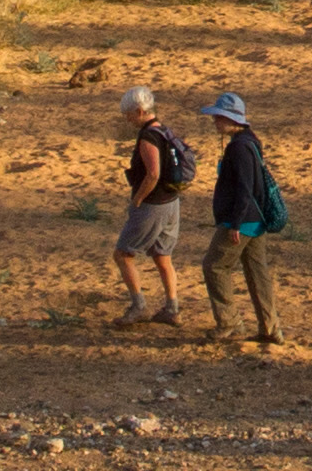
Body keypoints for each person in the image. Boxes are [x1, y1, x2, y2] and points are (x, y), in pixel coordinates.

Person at [202, 90, 283, 351]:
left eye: (218, 117)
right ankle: (270, 329)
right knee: (257, 273)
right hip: (255, 220)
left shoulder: (238, 148)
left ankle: (229, 323)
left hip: (242, 221)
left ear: (230, 118)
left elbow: (244, 188)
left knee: (214, 266)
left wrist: (234, 223)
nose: (215, 122)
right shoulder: (250, 142)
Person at [112, 86, 196, 330]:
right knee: (162, 256)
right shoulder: (164, 131)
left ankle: (138, 306)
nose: (127, 119)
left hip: (153, 205)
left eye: (129, 114)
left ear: (139, 111)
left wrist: (137, 199)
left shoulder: (148, 137)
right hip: (172, 203)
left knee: (123, 254)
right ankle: (172, 308)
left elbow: (152, 174)